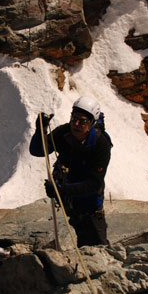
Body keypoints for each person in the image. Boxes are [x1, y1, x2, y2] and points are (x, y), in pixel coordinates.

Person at [30, 95, 112, 246]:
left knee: (98, 246)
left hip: (89, 206)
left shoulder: (101, 144)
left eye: (82, 121)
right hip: (69, 201)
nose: (76, 124)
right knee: (81, 238)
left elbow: (94, 184)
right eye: (74, 118)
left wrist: (61, 190)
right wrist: (39, 131)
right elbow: (38, 150)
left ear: (92, 123)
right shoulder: (64, 133)